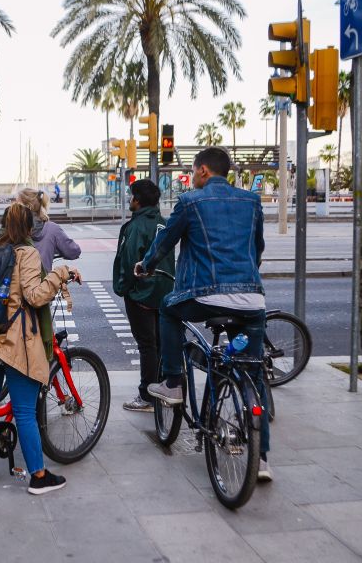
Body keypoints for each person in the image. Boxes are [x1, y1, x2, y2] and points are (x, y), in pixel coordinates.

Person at [136, 147, 272, 482]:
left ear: (204, 172)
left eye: (194, 171)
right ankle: (263, 460)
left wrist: (145, 265)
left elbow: (165, 242)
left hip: (205, 296)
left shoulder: (191, 201)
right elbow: (257, 248)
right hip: (252, 300)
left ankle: (173, 383)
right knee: (254, 375)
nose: (193, 176)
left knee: (168, 309)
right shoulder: (251, 202)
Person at [0, 203, 82, 494]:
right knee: (24, 411)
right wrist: (60, 274)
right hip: (15, 340)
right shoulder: (27, 253)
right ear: (29, 229)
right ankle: (38, 475)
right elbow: (35, 297)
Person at [112, 180, 174, 412]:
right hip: (165, 292)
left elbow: (129, 262)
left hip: (142, 293)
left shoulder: (135, 227)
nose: (130, 200)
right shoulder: (164, 223)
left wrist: (123, 288)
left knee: (147, 345)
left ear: (137, 200)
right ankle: (165, 388)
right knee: (161, 343)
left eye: (132, 196)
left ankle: (147, 394)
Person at [15, 188, 80, 272]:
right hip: (42, 283)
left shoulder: (11, 229)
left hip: (15, 283)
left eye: (16, 204)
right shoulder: (53, 229)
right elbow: (73, 252)